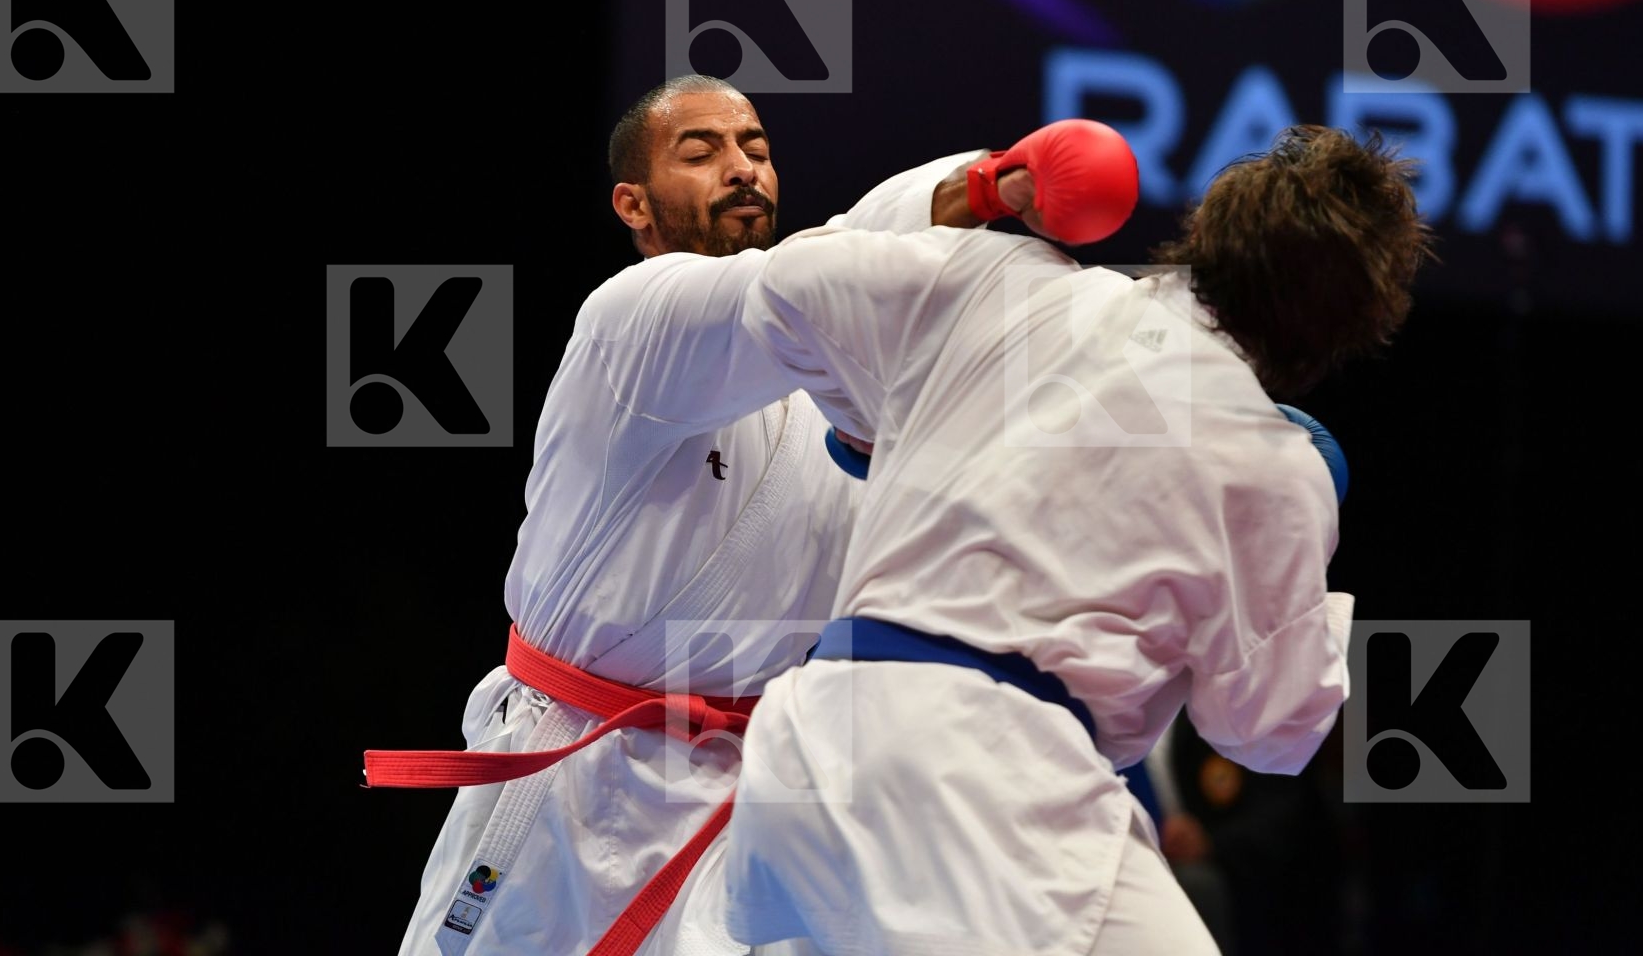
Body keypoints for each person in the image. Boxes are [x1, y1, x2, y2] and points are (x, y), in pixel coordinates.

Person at [371, 75, 1137, 955]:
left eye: (758, 150)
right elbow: (827, 265)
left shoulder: (824, 375)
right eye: (701, 152)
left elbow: (842, 253)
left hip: (746, 792)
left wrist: (992, 185)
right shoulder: (633, 322)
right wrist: (984, 193)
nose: (741, 169)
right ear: (634, 203)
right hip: (575, 778)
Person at [718, 125, 1433, 954]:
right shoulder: (1277, 467)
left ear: (1206, 231)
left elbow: (782, 287)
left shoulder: (1011, 281)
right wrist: (1312, 569)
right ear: (1349, 329)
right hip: (986, 784)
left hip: (808, 747)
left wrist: (980, 191)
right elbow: (1267, 733)